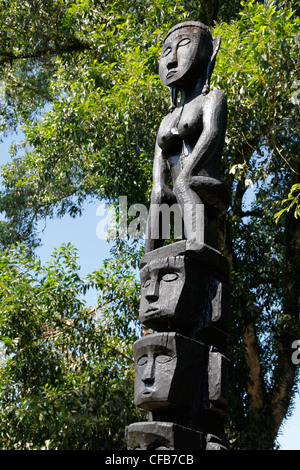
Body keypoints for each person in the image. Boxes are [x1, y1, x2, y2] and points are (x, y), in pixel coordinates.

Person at [145, 21, 230, 253]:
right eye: (166, 52)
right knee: (158, 193)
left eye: (183, 45)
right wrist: (159, 186)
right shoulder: (166, 119)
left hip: (206, 186)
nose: (171, 59)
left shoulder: (212, 98)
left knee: (183, 182)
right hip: (180, 197)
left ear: (209, 51)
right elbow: (159, 160)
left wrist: (187, 173)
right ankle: (149, 261)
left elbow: (211, 135)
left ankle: (197, 248)